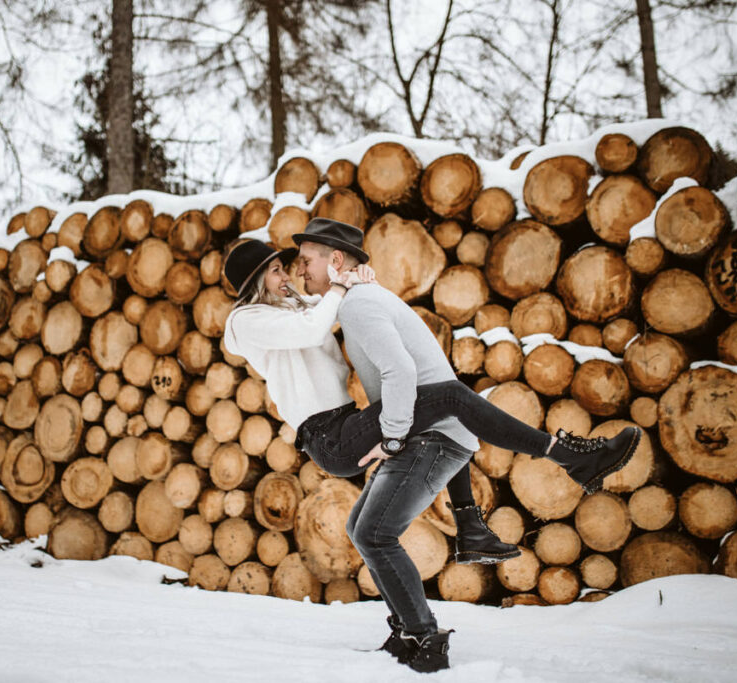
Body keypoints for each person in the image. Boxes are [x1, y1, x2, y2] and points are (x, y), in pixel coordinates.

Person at [288, 218, 641, 673]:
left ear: (335, 260)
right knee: (363, 529)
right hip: (433, 435)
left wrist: (392, 437)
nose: (301, 271)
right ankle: (408, 631)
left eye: (306, 261)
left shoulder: (359, 305)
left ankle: (423, 636)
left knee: (374, 533)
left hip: (429, 440)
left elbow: (401, 373)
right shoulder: (363, 299)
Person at [221, 239, 520, 568]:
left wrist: (357, 280)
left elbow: (326, 309)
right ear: (254, 283)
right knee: (444, 397)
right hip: (329, 437)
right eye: (276, 272)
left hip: (345, 424)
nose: (287, 278)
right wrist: (339, 286)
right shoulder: (246, 321)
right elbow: (311, 328)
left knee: (436, 412)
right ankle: (553, 452)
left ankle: (470, 529)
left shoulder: (286, 308)